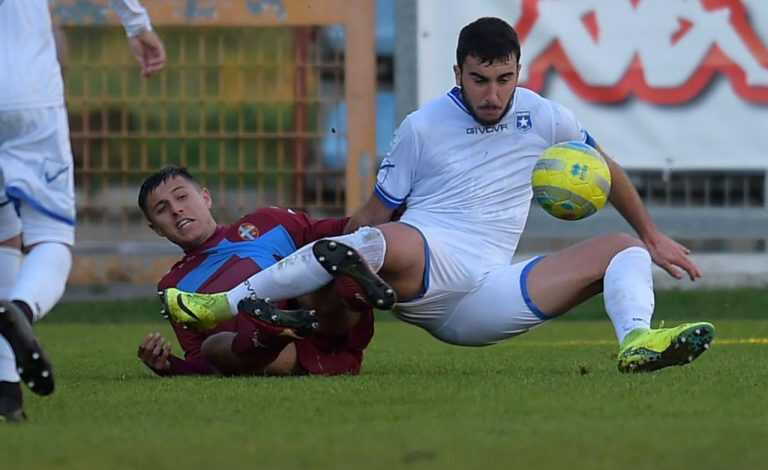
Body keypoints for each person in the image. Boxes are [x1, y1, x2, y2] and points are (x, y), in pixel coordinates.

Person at [161, 17, 715, 374]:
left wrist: (651, 234)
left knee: (623, 250)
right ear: (458, 72)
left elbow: (605, 168)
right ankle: (223, 304)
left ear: (519, 71)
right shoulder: (423, 127)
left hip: (489, 292)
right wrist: (341, 237)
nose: (493, 93)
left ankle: (636, 343)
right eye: (480, 79)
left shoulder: (546, 116)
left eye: (504, 78)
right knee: (377, 238)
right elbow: (373, 212)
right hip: (427, 259)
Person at [0, 0, 166, 422]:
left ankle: (6, 390)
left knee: (3, 235)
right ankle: (20, 309)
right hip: (29, 98)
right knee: (50, 236)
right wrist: (137, 24)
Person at [137, 166, 375, 378]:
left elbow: (341, 230)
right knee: (214, 347)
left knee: (318, 262)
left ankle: (353, 289)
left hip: (329, 324)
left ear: (205, 197)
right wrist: (169, 365)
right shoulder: (174, 286)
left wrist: (397, 216)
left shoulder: (267, 221)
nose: (176, 210)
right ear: (156, 228)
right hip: (278, 358)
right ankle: (271, 334)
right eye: (162, 209)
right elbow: (204, 362)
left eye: (182, 197)